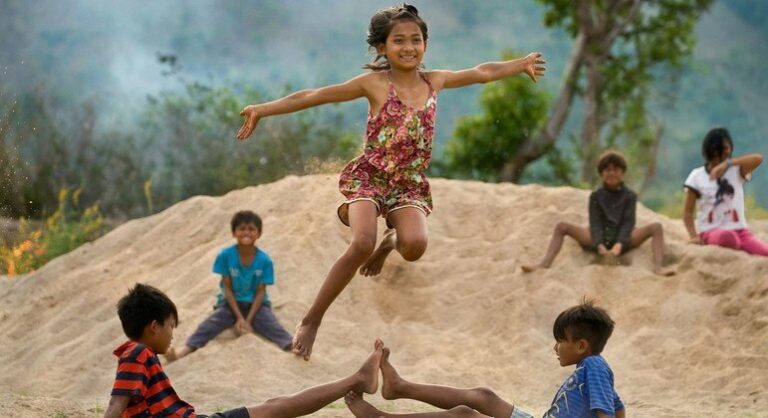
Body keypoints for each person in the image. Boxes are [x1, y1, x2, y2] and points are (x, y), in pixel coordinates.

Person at [236, 3, 546, 360]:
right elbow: (313, 96)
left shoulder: (435, 81)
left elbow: (482, 72)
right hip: (371, 177)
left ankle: (391, 241)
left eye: (416, 39)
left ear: (425, 45)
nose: (409, 47)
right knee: (361, 243)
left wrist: (519, 65)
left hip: (408, 185)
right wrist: (263, 109)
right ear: (382, 48)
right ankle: (312, 320)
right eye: (399, 41)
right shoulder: (374, 84)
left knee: (414, 246)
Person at [104, 283, 384, 418]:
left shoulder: (136, 355)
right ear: (153, 326)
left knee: (275, 406)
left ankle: (356, 379)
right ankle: (355, 379)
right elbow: (116, 404)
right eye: (170, 327)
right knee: (277, 408)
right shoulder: (137, 353)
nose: (172, 335)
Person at [344, 301, 625, 418]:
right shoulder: (593, 367)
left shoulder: (594, 365)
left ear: (581, 345)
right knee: (483, 396)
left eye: (561, 340)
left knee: (465, 414)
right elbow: (617, 407)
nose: (556, 347)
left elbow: (606, 414)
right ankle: (399, 387)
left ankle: (380, 417)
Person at [165, 211, 294, 362]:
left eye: (251, 229)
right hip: (230, 303)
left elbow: (260, 292)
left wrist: (248, 320)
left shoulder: (265, 260)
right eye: (242, 228)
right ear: (234, 232)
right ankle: (183, 351)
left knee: (272, 325)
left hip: (257, 305)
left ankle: (292, 346)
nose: (246, 232)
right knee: (210, 325)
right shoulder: (225, 255)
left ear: (259, 233)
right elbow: (227, 289)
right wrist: (239, 317)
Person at [522, 150, 675, 276]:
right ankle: (544, 264)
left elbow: (628, 223)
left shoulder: (630, 196)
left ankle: (658, 267)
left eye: (616, 169)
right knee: (562, 226)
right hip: (597, 237)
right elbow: (595, 222)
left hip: (624, 238)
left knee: (656, 227)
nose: (612, 173)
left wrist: (619, 244)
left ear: (622, 172)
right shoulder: (596, 196)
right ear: (601, 173)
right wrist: (599, 243)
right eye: (607, 170)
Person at [683, 126, 767, 256]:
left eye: (727, 149)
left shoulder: (736, 171)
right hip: (711, 231)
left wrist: (728, 164)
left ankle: (738, 245)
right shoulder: (696, 176)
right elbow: (688, 212)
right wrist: (693, 236)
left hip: (741, 232)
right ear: (711, 151)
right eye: (721, 151)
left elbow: (758, 159)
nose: (725, 153)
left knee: (764, 251)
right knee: (727, 237)